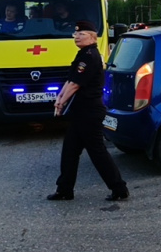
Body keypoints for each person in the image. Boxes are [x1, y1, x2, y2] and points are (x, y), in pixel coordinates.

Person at [47, 20, 129, 202]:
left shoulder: (89, 57)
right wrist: (60, 98)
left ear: (92, 37)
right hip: (81, 112)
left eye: (81, 34)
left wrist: (61, 102)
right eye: (75, 34)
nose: (76, 37)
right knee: (70, 150)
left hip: (89, 112)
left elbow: (75, 84)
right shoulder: (83, 54)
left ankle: (119, 188)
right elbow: (71, 80)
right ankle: (64, 190)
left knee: (97, 152)